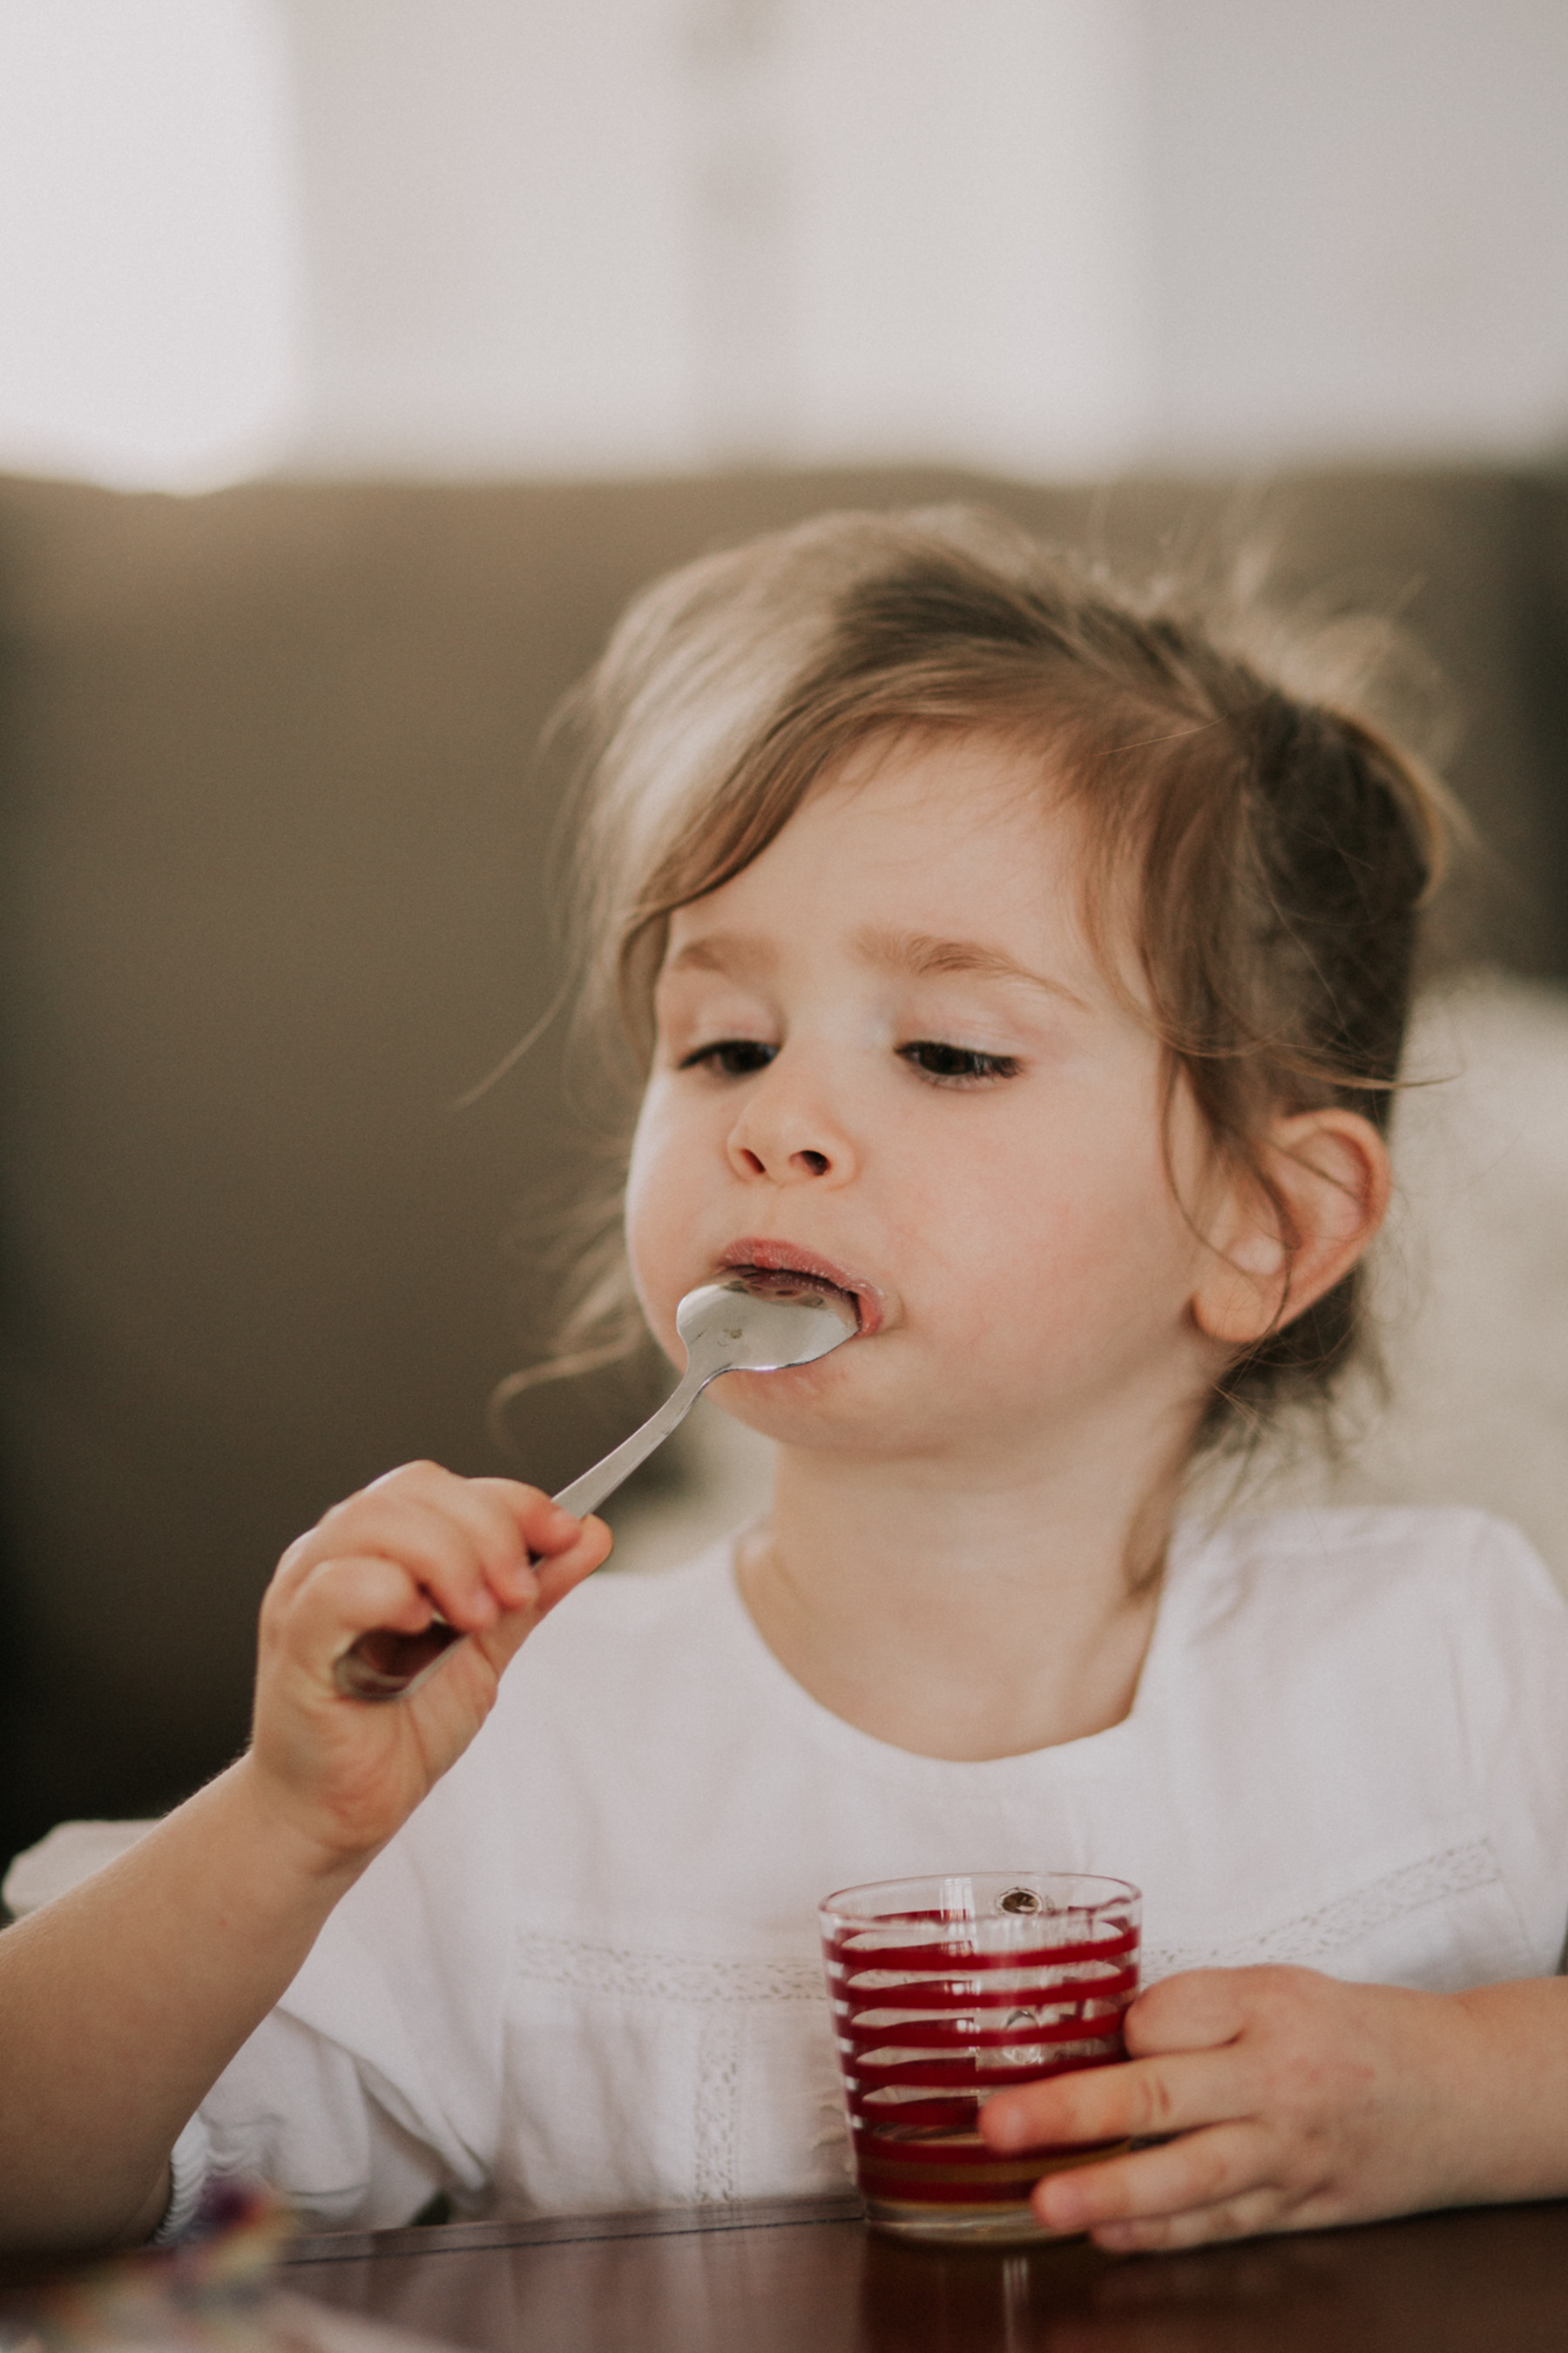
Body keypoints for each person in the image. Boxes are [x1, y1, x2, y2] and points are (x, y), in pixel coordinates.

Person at [4, 508, 1568, 2259]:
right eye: (725, 1041)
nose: (774, 1120)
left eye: (950, 1052)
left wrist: (1468, 2085)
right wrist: (285, 1825)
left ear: (1266, 1225)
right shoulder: (510, 1748)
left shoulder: (1459, 1654)